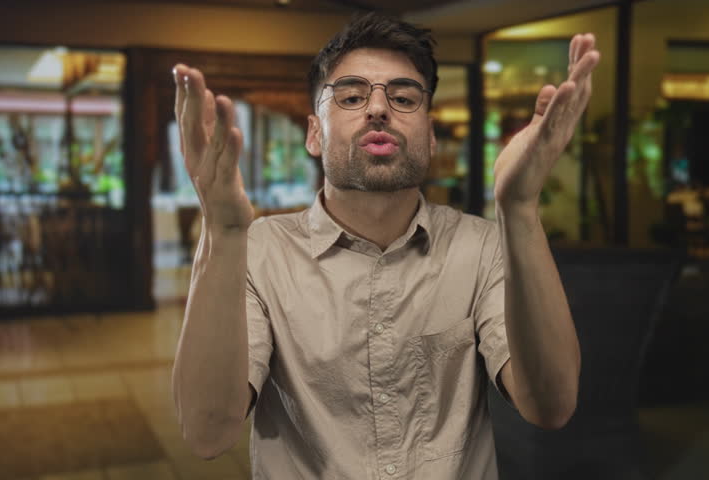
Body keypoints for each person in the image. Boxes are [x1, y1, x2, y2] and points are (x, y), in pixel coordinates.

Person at [171, 12, 599, 479]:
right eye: (352, 96)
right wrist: (224, 232)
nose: (378, 109)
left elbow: (551, 406)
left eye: (403, 97)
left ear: (431, 137)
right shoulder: (261, 252)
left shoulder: (481, 247)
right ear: (315, 134)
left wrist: (518, 209)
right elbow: (207, 433)